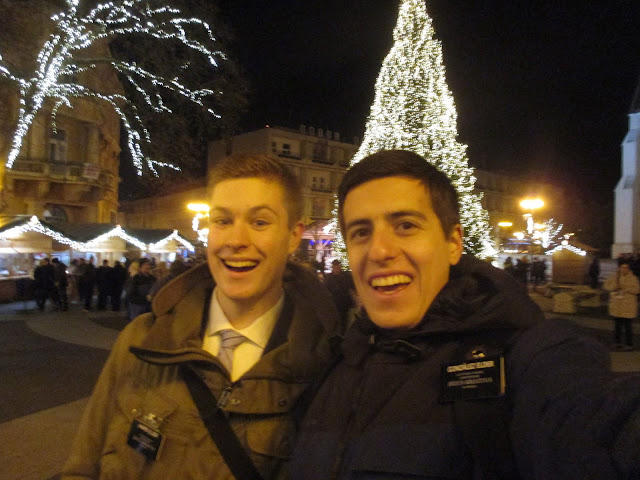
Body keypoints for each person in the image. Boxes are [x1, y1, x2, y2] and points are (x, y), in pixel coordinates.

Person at [291, 150, 640, 479]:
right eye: (361, 232)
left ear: (453, 243)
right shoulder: (334, 364)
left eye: (406, 225)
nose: (379, 251)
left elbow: (594, 416)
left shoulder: (519, 356)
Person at [63, 153, 339, 479]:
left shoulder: (327, 366)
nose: (236, 241)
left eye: (260, 222)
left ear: (294, 235)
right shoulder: (142, 339)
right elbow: (82, 467)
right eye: (222, 221)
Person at [604, 262, 639, 351]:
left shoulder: (633, 278)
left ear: (629, 269)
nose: (624, 269)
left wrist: (625, 289)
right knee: (617, 326)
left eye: (626, 268)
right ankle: (617, 343)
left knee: (628, 327)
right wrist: (615, 287)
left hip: (627, 306)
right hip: (616, 305)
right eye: (622, 267)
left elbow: (637, 290)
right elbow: (606, 286)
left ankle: (629, 344)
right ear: (619, 268)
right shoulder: (613, 277)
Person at [323, 259, 356, 332]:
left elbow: (351, 288)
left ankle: (341, 333)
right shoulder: (329, 278)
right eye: (335, 268)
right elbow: (326, 291)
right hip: (335, 303)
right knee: (337, 321)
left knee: (344, 320)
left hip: (344, 303)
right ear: (332, 267)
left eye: (338, 268)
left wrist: (353, 299)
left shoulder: (345, 276)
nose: (336, 270)